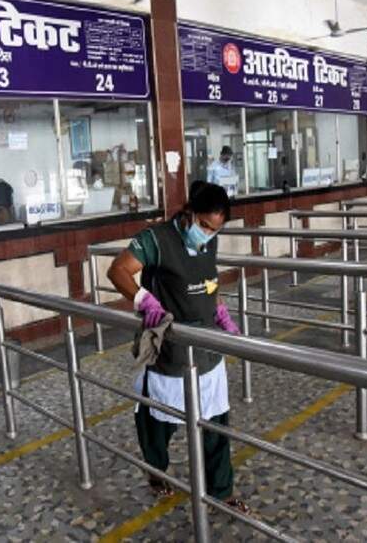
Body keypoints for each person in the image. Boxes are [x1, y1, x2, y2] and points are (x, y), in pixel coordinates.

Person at [106, 181, 250, 514]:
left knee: (214, 424)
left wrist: (219, 311)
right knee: (158, 423)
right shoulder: (156, 239)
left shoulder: (209, 241)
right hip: (169, 350)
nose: (208, 234)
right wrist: (144, 300)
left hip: (206, 348)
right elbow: (118, 270)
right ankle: (156, 472)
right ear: (188, 213)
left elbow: (207, 282)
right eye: (203, 226)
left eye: (215, 230)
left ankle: (221, 491)